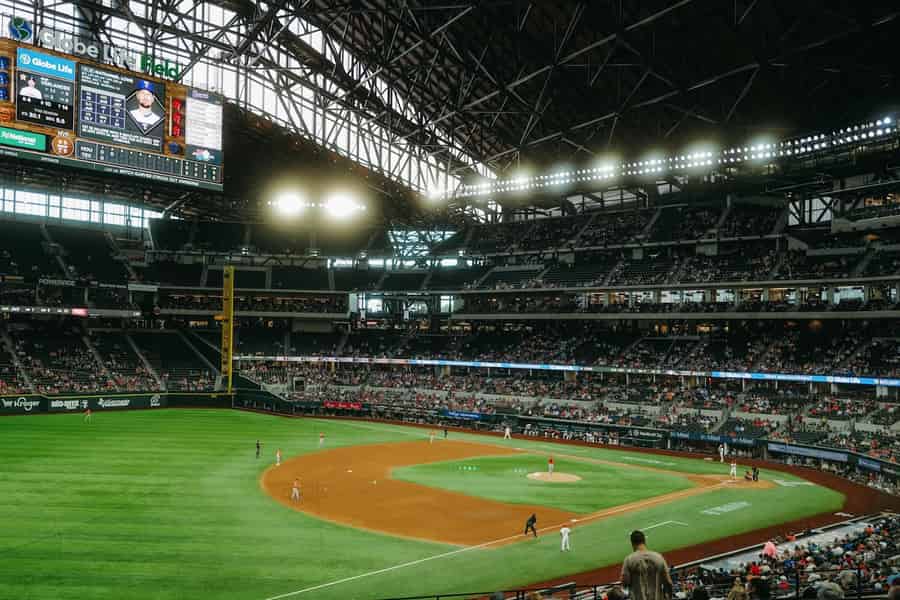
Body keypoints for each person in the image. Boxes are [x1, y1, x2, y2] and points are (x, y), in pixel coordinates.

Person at [621, 530, 673, 600]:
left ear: (632, 543)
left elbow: (625, 583)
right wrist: (669, 597)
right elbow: (668, 582)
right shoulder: (658, 557)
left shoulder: (629, 560)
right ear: (644, 541)